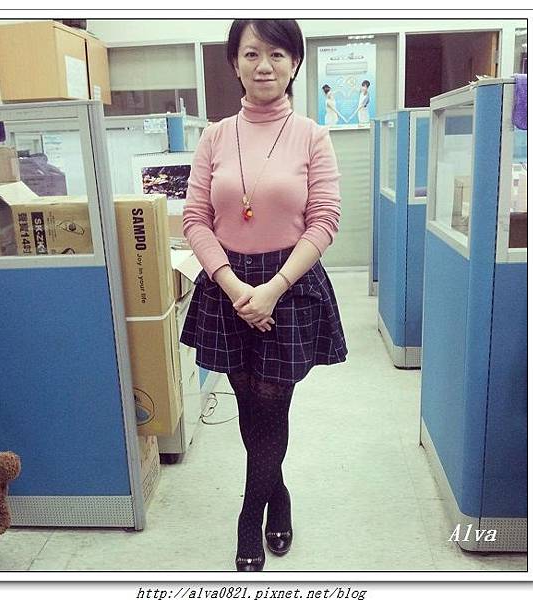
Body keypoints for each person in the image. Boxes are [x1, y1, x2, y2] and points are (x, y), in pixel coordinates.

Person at [180, 19, 348, 572]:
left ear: (295, 62)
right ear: (235, 62)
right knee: (249, 403)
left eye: (277, 53)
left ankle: (250, 515)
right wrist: (232, 285)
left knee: (273, 404)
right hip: (226, 283)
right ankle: (279, 495)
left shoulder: (312, 136)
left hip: (289, 285)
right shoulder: (214, 137)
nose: (264, 65)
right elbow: (195, 219)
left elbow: (324, 220)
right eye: (251, 53)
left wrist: (272, 289)